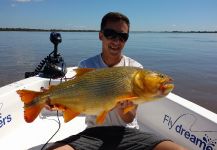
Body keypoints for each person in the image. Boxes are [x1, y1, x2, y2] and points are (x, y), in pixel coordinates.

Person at [47, 12, 186, 150]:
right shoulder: (86, 65)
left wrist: (123, 108)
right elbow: (79, 102)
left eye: (122, 36)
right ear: (100, 35)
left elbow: (129, 119)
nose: (116, 41)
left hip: (127, 133)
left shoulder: (135, 68)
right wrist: (56, 102)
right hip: (93, 134)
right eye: (110, 34)